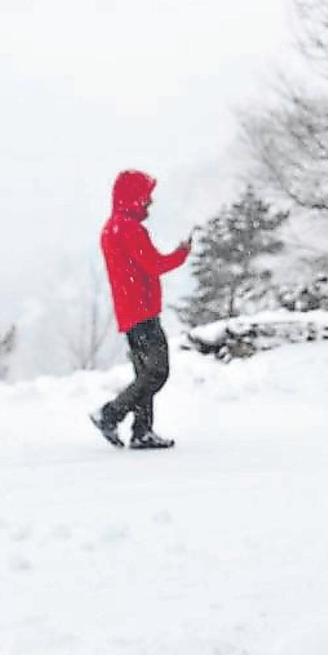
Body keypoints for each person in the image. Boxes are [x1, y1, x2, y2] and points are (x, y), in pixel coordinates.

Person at [90, 170, 191, 449]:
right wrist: (181, 253)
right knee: (157, 373)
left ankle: (142, 431)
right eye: (146, 196)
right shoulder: (129, 229)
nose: (150, 203)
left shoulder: (111, 228)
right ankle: (110, 414)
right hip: (143, 313)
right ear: (134, 197)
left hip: (129, 313)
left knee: (144, 375)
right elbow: (155, 265)